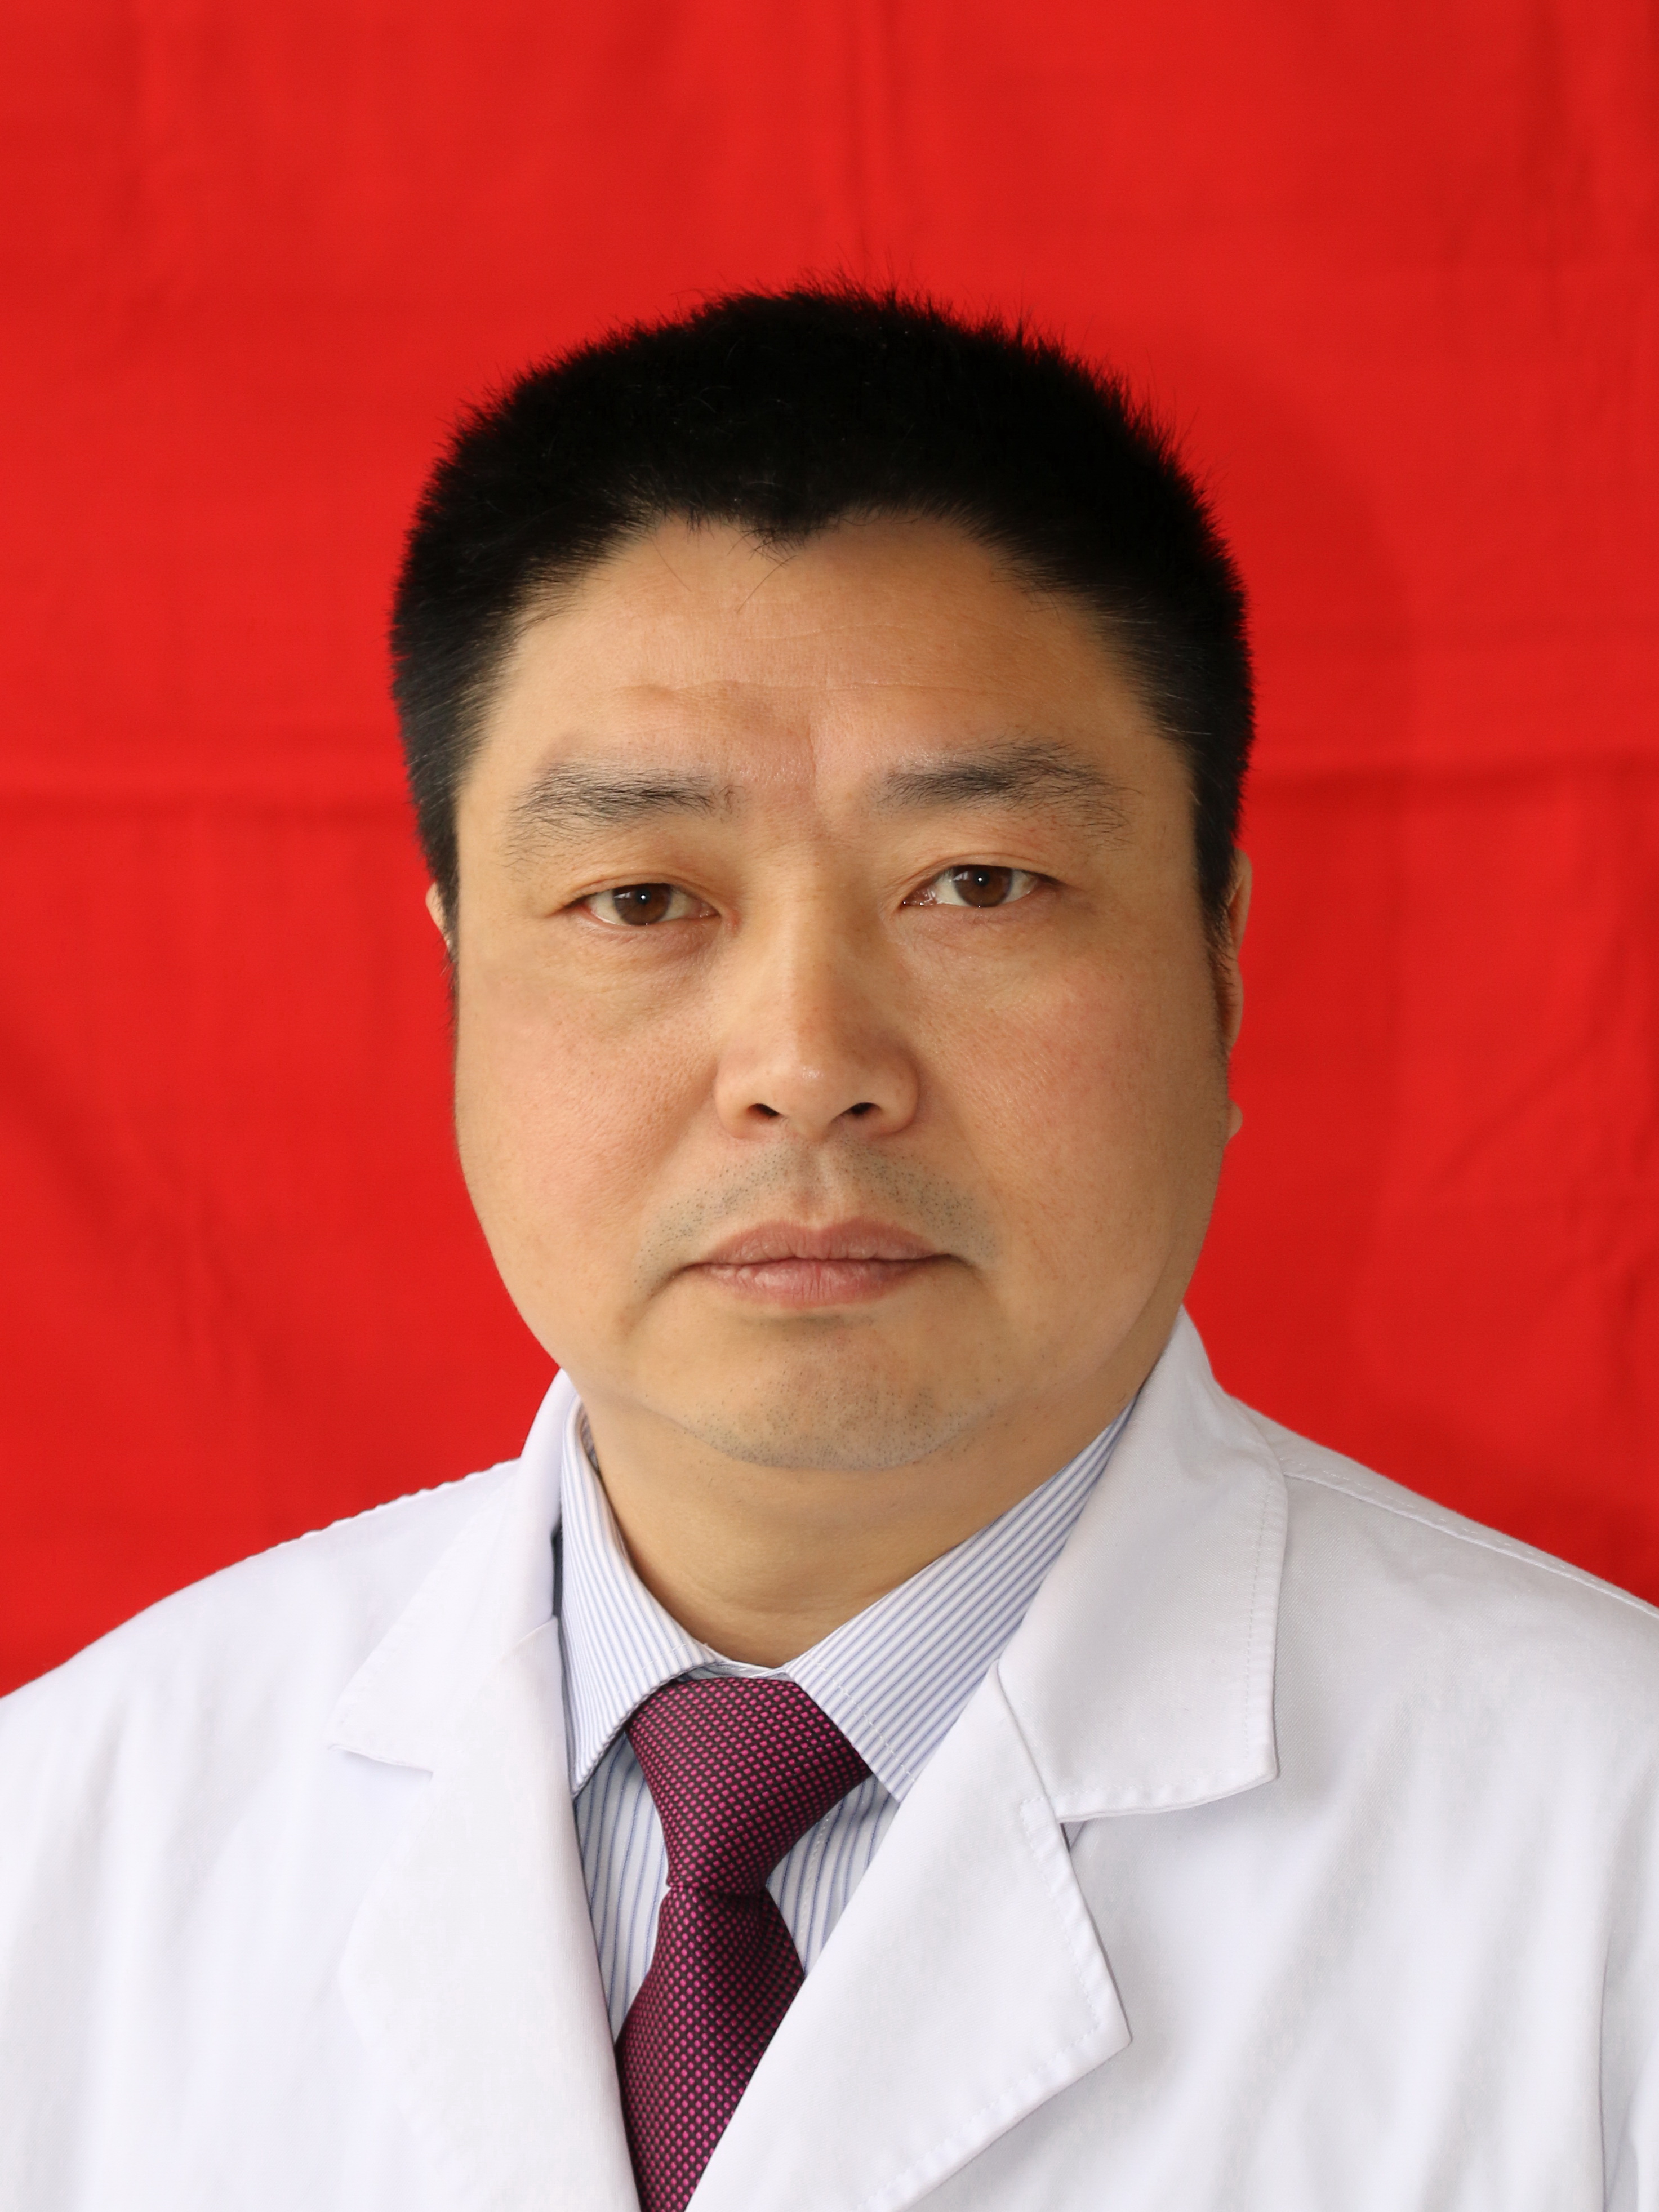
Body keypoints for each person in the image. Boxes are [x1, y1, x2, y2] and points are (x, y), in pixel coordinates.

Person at [2, 286, 1655, 2212]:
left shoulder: (1609, 1862)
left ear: (1216, 962)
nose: (805, 1063)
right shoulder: (67, 1846)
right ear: (456, 974)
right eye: (640, 899)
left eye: (978, 883)